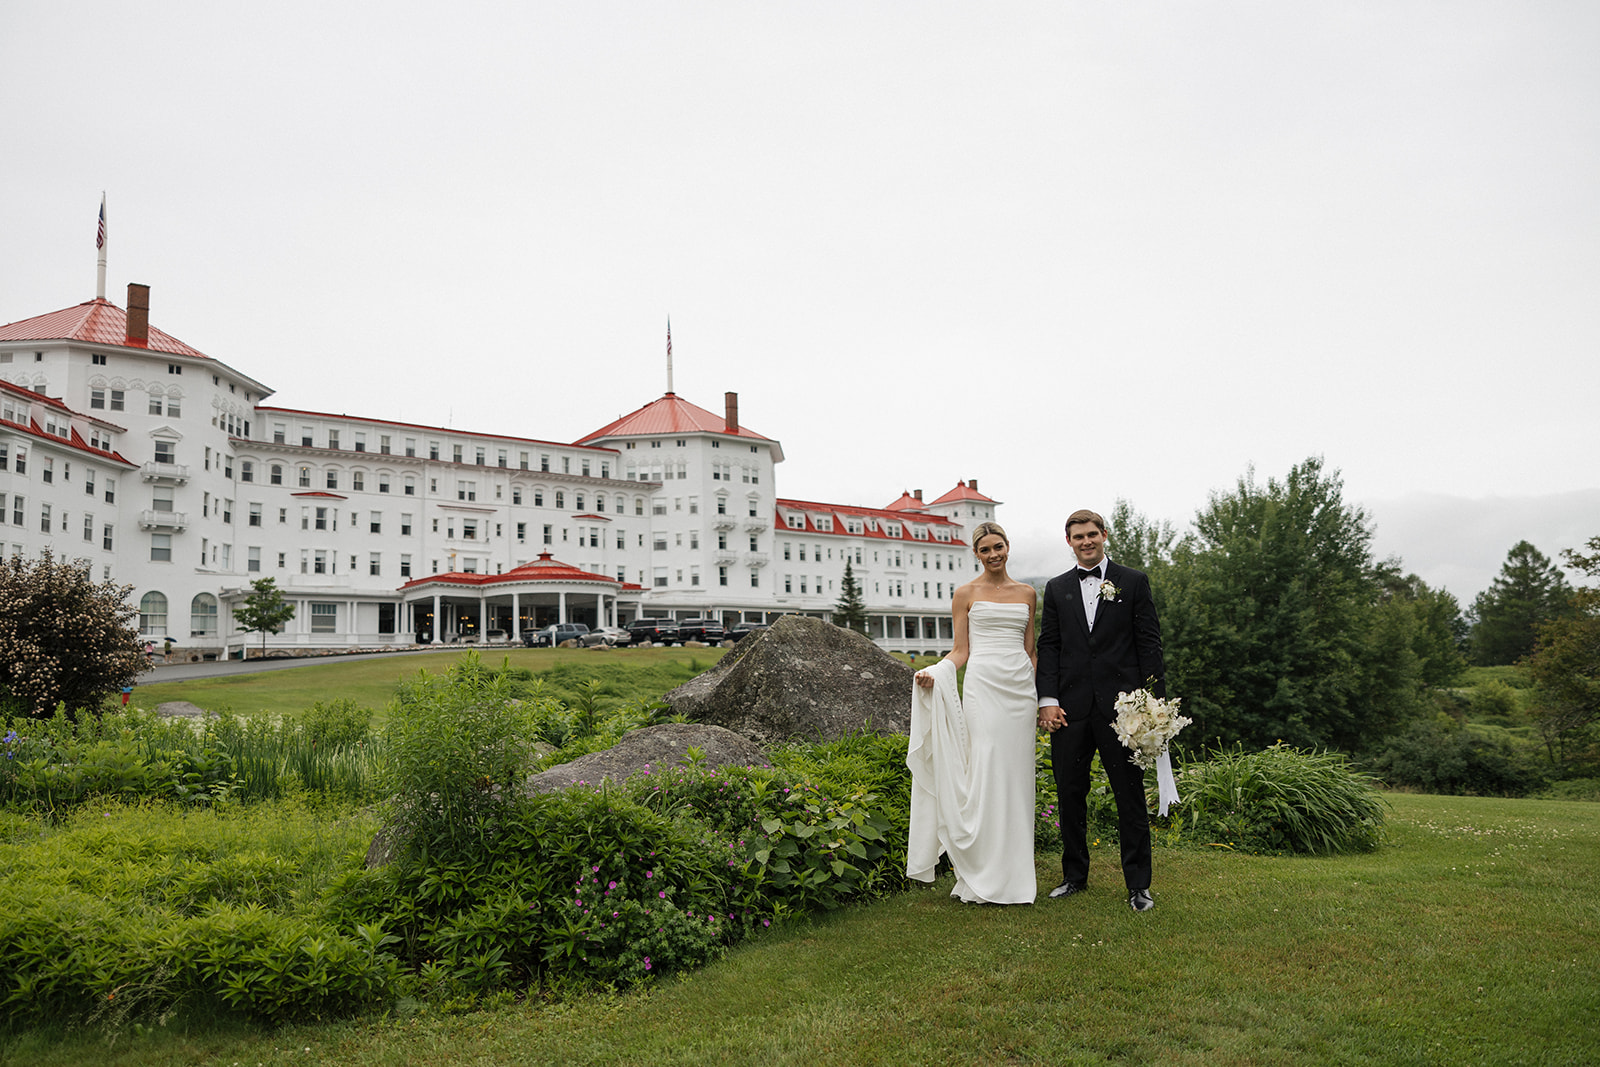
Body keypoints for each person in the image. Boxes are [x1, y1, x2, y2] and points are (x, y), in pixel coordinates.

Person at [1036, 508, 1167, 912]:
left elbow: (1149, 644)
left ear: (1104, 535)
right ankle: (1074, 876)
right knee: (1070, 793)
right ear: (1069, 541)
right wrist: (1048, 701)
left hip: (1122, 713)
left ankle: (1138, 886)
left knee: (1129, 797)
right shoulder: (1057, 588)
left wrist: (1152, 706)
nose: (1086, 541)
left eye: (1092, 534)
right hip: (1070, 711)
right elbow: (1050, 646)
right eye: (1078, 537)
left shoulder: (1133, 581)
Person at [906, 521, 1039, 904]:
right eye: (986, 550)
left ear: (1008, 547)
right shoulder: (965, 593)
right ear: (977, 554)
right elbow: (960, 650)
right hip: (983, 690)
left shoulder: (1028, 593)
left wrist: (1040, 695)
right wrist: (935, 672)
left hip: (1020, 692)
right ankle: (980, 869)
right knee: (986, 770)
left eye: (999, 546)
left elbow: (1030, 651)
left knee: (1016, 777)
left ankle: (1015, 874)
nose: (994, 554)